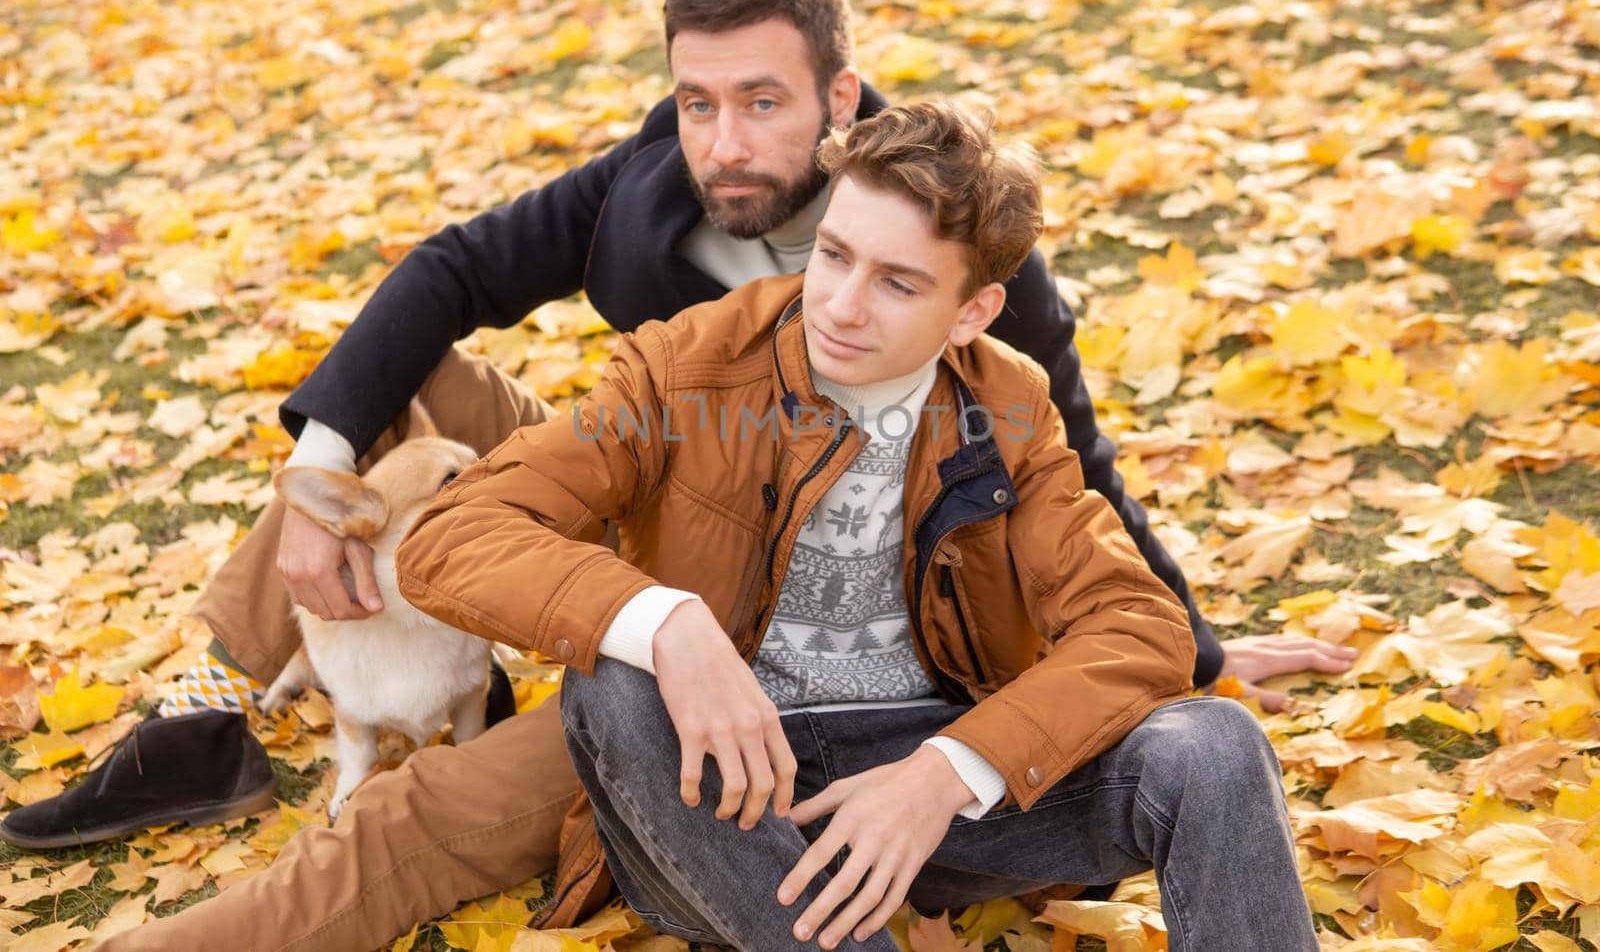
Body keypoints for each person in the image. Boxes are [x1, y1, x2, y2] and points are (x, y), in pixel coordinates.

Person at [32, 0, 1347, 951]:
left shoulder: (972, 285)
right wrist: (329, 486)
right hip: (666, 509)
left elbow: (1073, 487)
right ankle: (215, 698)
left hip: (806, 660)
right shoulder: (666, 213)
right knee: (402, 393)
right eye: (695, 102)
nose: (722, 141)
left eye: (759, 104)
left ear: (836, 104)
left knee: (441, 812)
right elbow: (452, 279)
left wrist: (1192, 647)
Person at [392, 99, 1318, 949]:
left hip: (933, 793)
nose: (838, 304)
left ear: (975, 312)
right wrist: (668, 622)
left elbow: (1140, 624)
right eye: (832, 254)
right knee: (615, 682)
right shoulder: (686, 366)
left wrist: (946, 772)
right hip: (724, 799)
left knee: (1215, 744)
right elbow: (452, 535)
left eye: (898, 284)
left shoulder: (1009, 404)